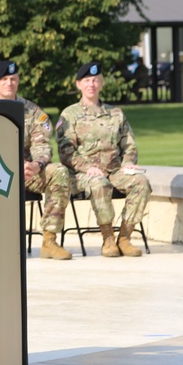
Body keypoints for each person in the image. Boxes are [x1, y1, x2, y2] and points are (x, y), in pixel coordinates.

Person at [55, 61, 152, 258]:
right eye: (87, 80)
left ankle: (124, 237)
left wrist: (127, 163)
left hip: (115, 170)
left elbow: (129, 144)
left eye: (95, 80)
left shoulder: (115, 113)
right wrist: (87, 167)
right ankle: (108, 238)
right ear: (78, 85)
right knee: (99, 183)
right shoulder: (69, 114)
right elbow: (66, 152)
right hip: (82, 175)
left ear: (101, 83)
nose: (91, 84)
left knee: (141, 182)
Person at [0, 60, 75, 260]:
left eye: (13, 79)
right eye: (4, 79)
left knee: (59, 172)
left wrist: (36, 165)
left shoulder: (32, 112)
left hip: (28, 172)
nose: (9, 83)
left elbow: (42, 144)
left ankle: (49, 241)